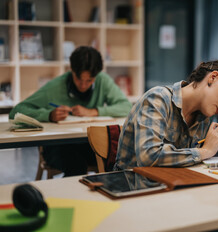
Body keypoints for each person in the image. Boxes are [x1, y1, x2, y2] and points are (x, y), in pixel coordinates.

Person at [9, 46, 132, 176]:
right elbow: (16, 112)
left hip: (89, 143)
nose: (83, 85)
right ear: (71, 70)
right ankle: (69, 196)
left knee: (115, 159)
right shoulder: (56, 86)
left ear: (96, 76)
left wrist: (94, 111)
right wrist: (49, 115)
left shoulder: (102, 80)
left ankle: (107, 195)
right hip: (58, 146)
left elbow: (127, 107)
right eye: (79, 79)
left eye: (89, 81)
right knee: (76, 166)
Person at [114, 59, 218, 170]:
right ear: (213, 77)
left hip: (172, 187)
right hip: (133, 189)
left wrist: (213, 146)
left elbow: (190, 164)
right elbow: (149, 156)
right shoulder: (158, 98)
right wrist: (205, 151)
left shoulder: (204, 119)